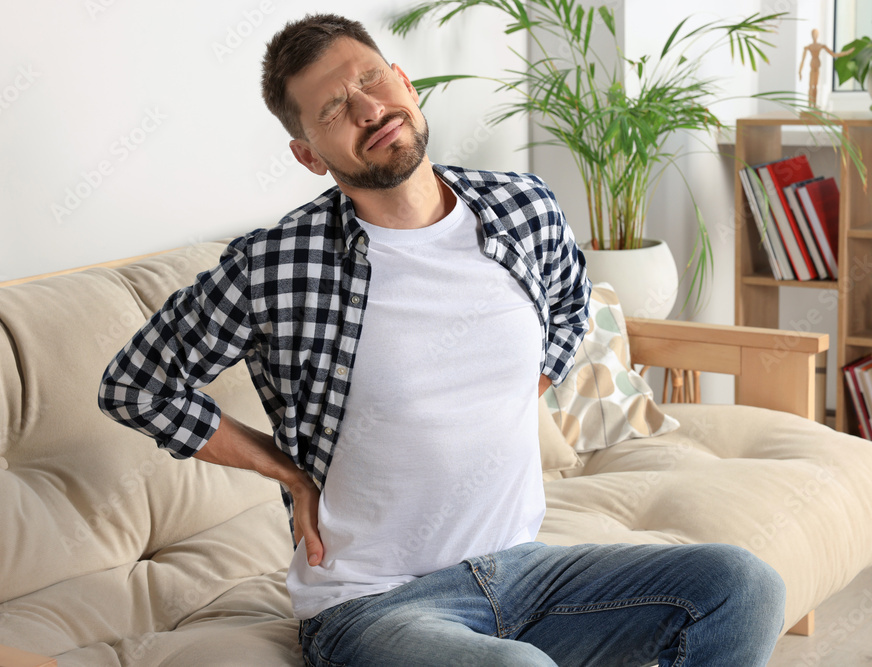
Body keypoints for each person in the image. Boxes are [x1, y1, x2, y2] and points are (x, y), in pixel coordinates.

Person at [99, 13, 787, 666]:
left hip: (524, 569)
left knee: (741, 585)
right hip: (372, 604)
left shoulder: (523, 207)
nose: (367, 108)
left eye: (369, 78)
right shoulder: (277, 266)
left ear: (405, 80)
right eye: (333, 109)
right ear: (308, 154)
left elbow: (570, 303)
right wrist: (285, 468)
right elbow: (136, 384)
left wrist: (532, 385)